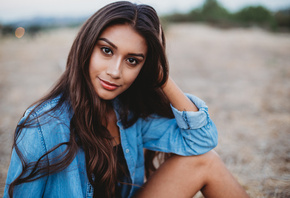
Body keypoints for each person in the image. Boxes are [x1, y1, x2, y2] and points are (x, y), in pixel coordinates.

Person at [4, 1, 249, 198]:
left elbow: (202, 141)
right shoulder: (43, 125)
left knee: (206, 161)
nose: (115, 71)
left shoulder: (129, 114)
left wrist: (161, 77)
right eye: (107, 50)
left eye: (133, 60)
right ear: (86, 47)